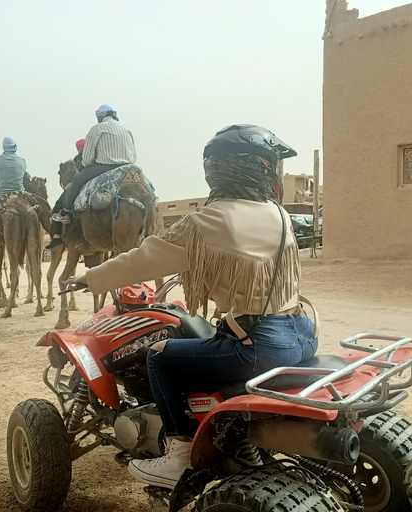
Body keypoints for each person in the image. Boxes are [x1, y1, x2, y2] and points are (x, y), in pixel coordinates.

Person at [67, 125, 314, 489]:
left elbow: (141, 260)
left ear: (217, 170)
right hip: (302, 333)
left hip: (259, 345)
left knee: (158, 355)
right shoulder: (278, 214)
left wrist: (91, 277)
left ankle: (179, 454)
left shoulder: (206, 221)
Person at [52, 105, 136, 223]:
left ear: (99, 117)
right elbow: (134, 155)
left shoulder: (97, 129)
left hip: (104, 167)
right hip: (128, 167)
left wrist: (88, 163)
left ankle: (65, 212)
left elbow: (87, 160)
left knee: (76, 180)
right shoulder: (126, 128)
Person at [46, 138, 85, 249]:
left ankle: (57, 236)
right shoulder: (95, 155)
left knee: (58, 206)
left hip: (77, 185)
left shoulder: (76, 160)